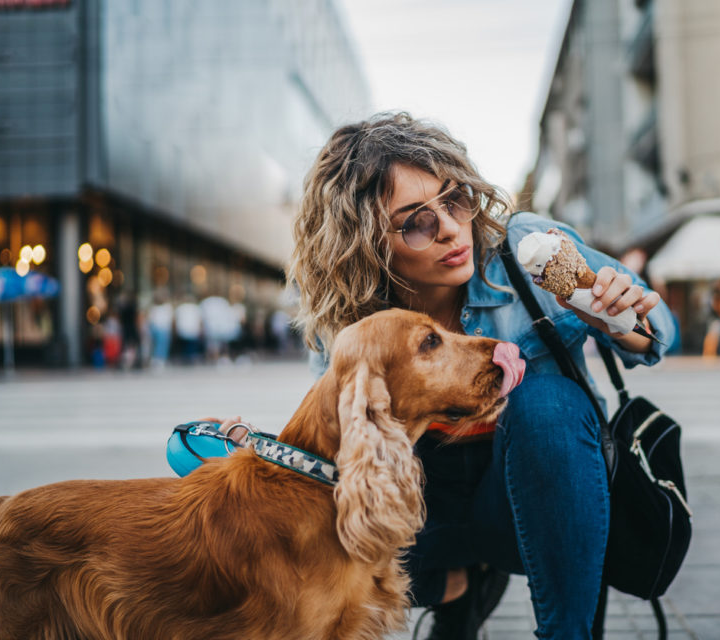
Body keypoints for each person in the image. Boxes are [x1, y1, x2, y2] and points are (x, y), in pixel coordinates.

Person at [211, 112, 676, 640]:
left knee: (547, 401)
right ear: (368, 242)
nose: (452, 229)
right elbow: (333, 447)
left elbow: (660, 329)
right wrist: (251, 452)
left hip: (540, 494)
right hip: (423, 517)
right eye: (416, 221)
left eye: (455, 199)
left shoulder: (524, 249)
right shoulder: (353, 324)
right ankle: (454, 590)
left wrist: (620, 318)